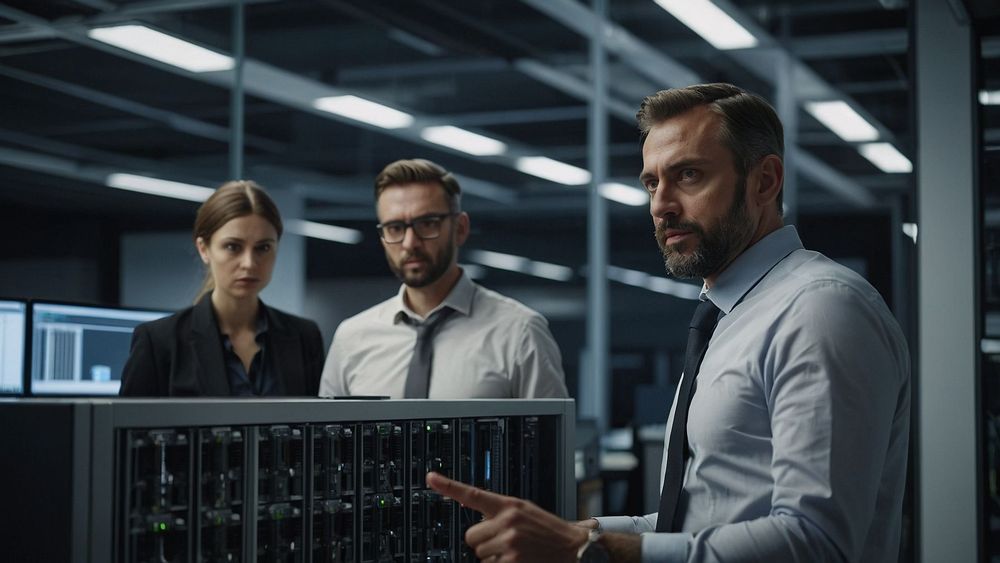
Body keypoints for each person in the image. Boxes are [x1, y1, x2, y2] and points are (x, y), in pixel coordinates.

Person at [426, 83, 911, 562]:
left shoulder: (820, 310)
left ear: (764, 181)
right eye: (652, 183)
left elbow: (817, 543)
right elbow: (701, 524)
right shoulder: (730, 316)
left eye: (689, 175)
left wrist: (593, 550)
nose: (661, 205)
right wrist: (581, 532)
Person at [319, 158, 568, 399]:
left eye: (427, 223)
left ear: (460, 228)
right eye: (395, 228)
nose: (410, 243)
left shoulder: (520, 333)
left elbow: (551, 429)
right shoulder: (352, 339)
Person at [120, 180, 324, 396]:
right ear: (204, 249)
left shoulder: (303, 337)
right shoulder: (159, 341)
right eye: (233, 247)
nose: (249, 263)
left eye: (263, 248)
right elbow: (129, 418)